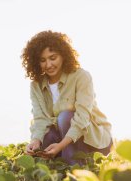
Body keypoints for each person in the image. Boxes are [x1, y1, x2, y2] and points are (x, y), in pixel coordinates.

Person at [22, 30, 113, 165]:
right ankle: (57, 174)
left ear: (63, 55)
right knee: (45, 136)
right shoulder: (36, 86)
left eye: (53, 58)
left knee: (65, 117)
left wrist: (60, 146)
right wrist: (35, 141)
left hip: (94, 142)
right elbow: (40, 119)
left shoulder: (81, 76)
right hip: (62, 140)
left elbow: (82, 118)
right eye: (42, 60)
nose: (48, 65)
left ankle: (74, 173)